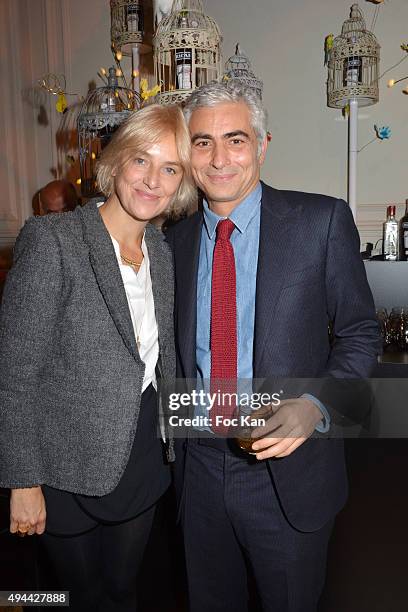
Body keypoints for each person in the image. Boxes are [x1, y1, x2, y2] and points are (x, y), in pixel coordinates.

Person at [165, 81, 381, 612]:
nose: (219, 159)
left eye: (235, 139)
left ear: (261, 146)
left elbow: (360, 333)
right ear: (187, 154)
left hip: (289, 477)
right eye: (202, 142)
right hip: (197, 472)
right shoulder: (172, 241)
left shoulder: (321, 221)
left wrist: (315, 405)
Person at [0, 104, 194, 611]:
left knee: (124, 591)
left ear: (181, 182)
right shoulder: (54, 241)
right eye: (141, 161)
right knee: (77, 599)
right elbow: (15, 374)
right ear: (115, 163)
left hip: (141, 462)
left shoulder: (164, 250)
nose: (153, 180)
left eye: (170, 168)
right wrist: (23, 481)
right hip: (64, 469)